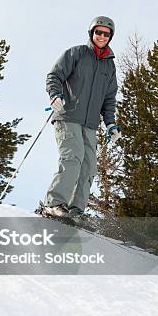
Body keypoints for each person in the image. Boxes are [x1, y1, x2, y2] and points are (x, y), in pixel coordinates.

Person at [43, 16, 121, 219]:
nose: (101, 36)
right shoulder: (77, 53)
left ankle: (76, 209)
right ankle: (54, 203)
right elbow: (54, 75)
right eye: (98, 32)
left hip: (90, 124)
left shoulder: (109, 67)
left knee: (89, 166)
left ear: (110, 37)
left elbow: (109, 98)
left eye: (106, 33)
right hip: (68, 115)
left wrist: (111, 124)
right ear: (91, 33)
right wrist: (55, 95)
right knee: (72, 158)